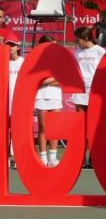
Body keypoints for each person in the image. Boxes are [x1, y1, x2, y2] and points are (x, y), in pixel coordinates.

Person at [72, 26, 106, 168]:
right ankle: (81, 158)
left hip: (95, 92)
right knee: (81, 127)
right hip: (80, 91)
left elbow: (105, 72)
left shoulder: (100, 51)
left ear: (86, 39)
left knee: (94, 126)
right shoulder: (78, 52)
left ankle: (94, 157)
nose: (76, 42)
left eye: (78, 40)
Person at [35, 35, 63, 167]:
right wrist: (53, 78)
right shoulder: (36, 60)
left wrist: (47, 80)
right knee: (43, 128)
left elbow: (62, 79)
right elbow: (37, 80)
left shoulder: (59, 60)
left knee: (54, 128)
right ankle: (43, 158)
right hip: (41, 96)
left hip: (55, 97)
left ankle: (52, 158)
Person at [7, 35, 24, 167]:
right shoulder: (2, 62)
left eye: (12, 45)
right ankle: (5, 158)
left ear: (18, 47)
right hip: (4, 102)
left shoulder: (24, 62)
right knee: (5, 131)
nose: (10, 47)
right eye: (7, 45)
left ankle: (18, 158)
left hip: (19, 102)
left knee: (18, 131)